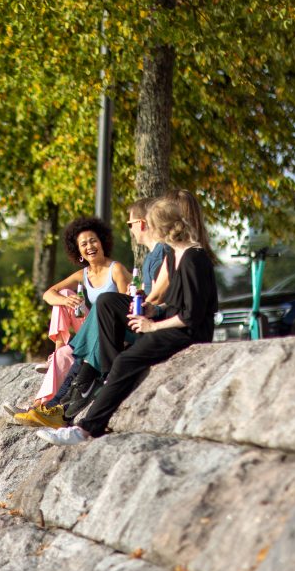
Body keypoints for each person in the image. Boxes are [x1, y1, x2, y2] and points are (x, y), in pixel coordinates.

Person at [37, 189, 218, 445]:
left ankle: (84, 428)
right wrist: (153, 310)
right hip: (176, 326)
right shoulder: (180, 255)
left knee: (124, 362)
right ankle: (85, 414)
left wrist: (152, 326)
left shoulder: (191, 258)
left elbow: (191, 317)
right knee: (112, 318)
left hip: (186, 332)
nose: (141, 230)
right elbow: (179, 304)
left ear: (160, 227)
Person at [12, 217, 130, 427]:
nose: (89, 247)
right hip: (91, 329)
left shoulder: (116, 270)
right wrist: (66, 300)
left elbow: (126, 308)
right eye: (83, 244)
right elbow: (48, 294)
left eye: (93, 241)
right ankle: (42, 408)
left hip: (110, 331)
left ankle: (44, 407)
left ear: (102, 242)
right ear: (78, 251)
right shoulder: (82, 275)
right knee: (63, 297)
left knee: (67, 352)